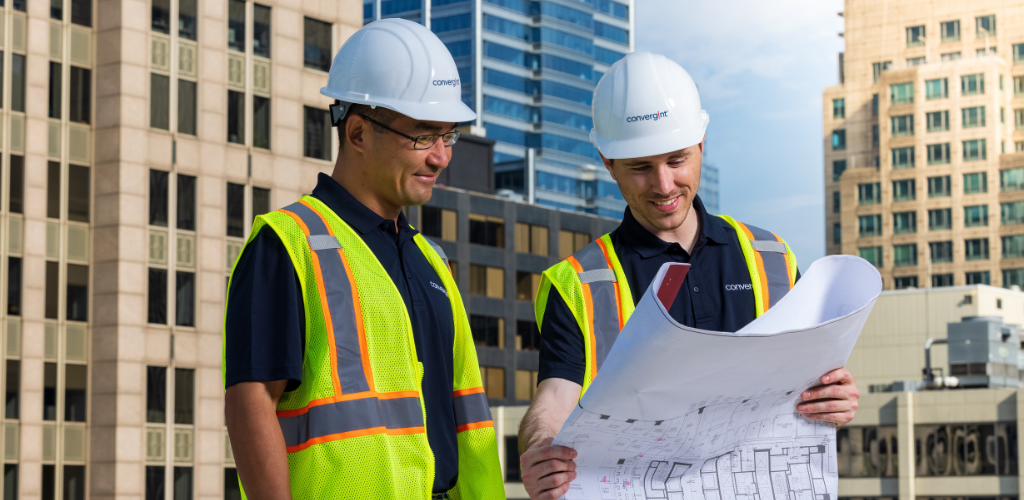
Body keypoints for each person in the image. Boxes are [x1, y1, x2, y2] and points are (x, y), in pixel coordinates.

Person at [517, 52, 861, 500]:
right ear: (607, 162)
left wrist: (835, 397)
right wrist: (542, 446)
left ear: (701, 143)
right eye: (640, 167)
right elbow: (555, 398)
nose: (663, 185)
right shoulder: (579, 282)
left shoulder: (772, 258)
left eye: (676, 160)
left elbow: (810, 381)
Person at [222, 19, 505, 499]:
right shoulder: (287, 245)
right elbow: (251, 403)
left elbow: (463, 418)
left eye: (448, 135)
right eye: (423, 136)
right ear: (356, 132)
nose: (441, 157)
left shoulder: (430, 261)